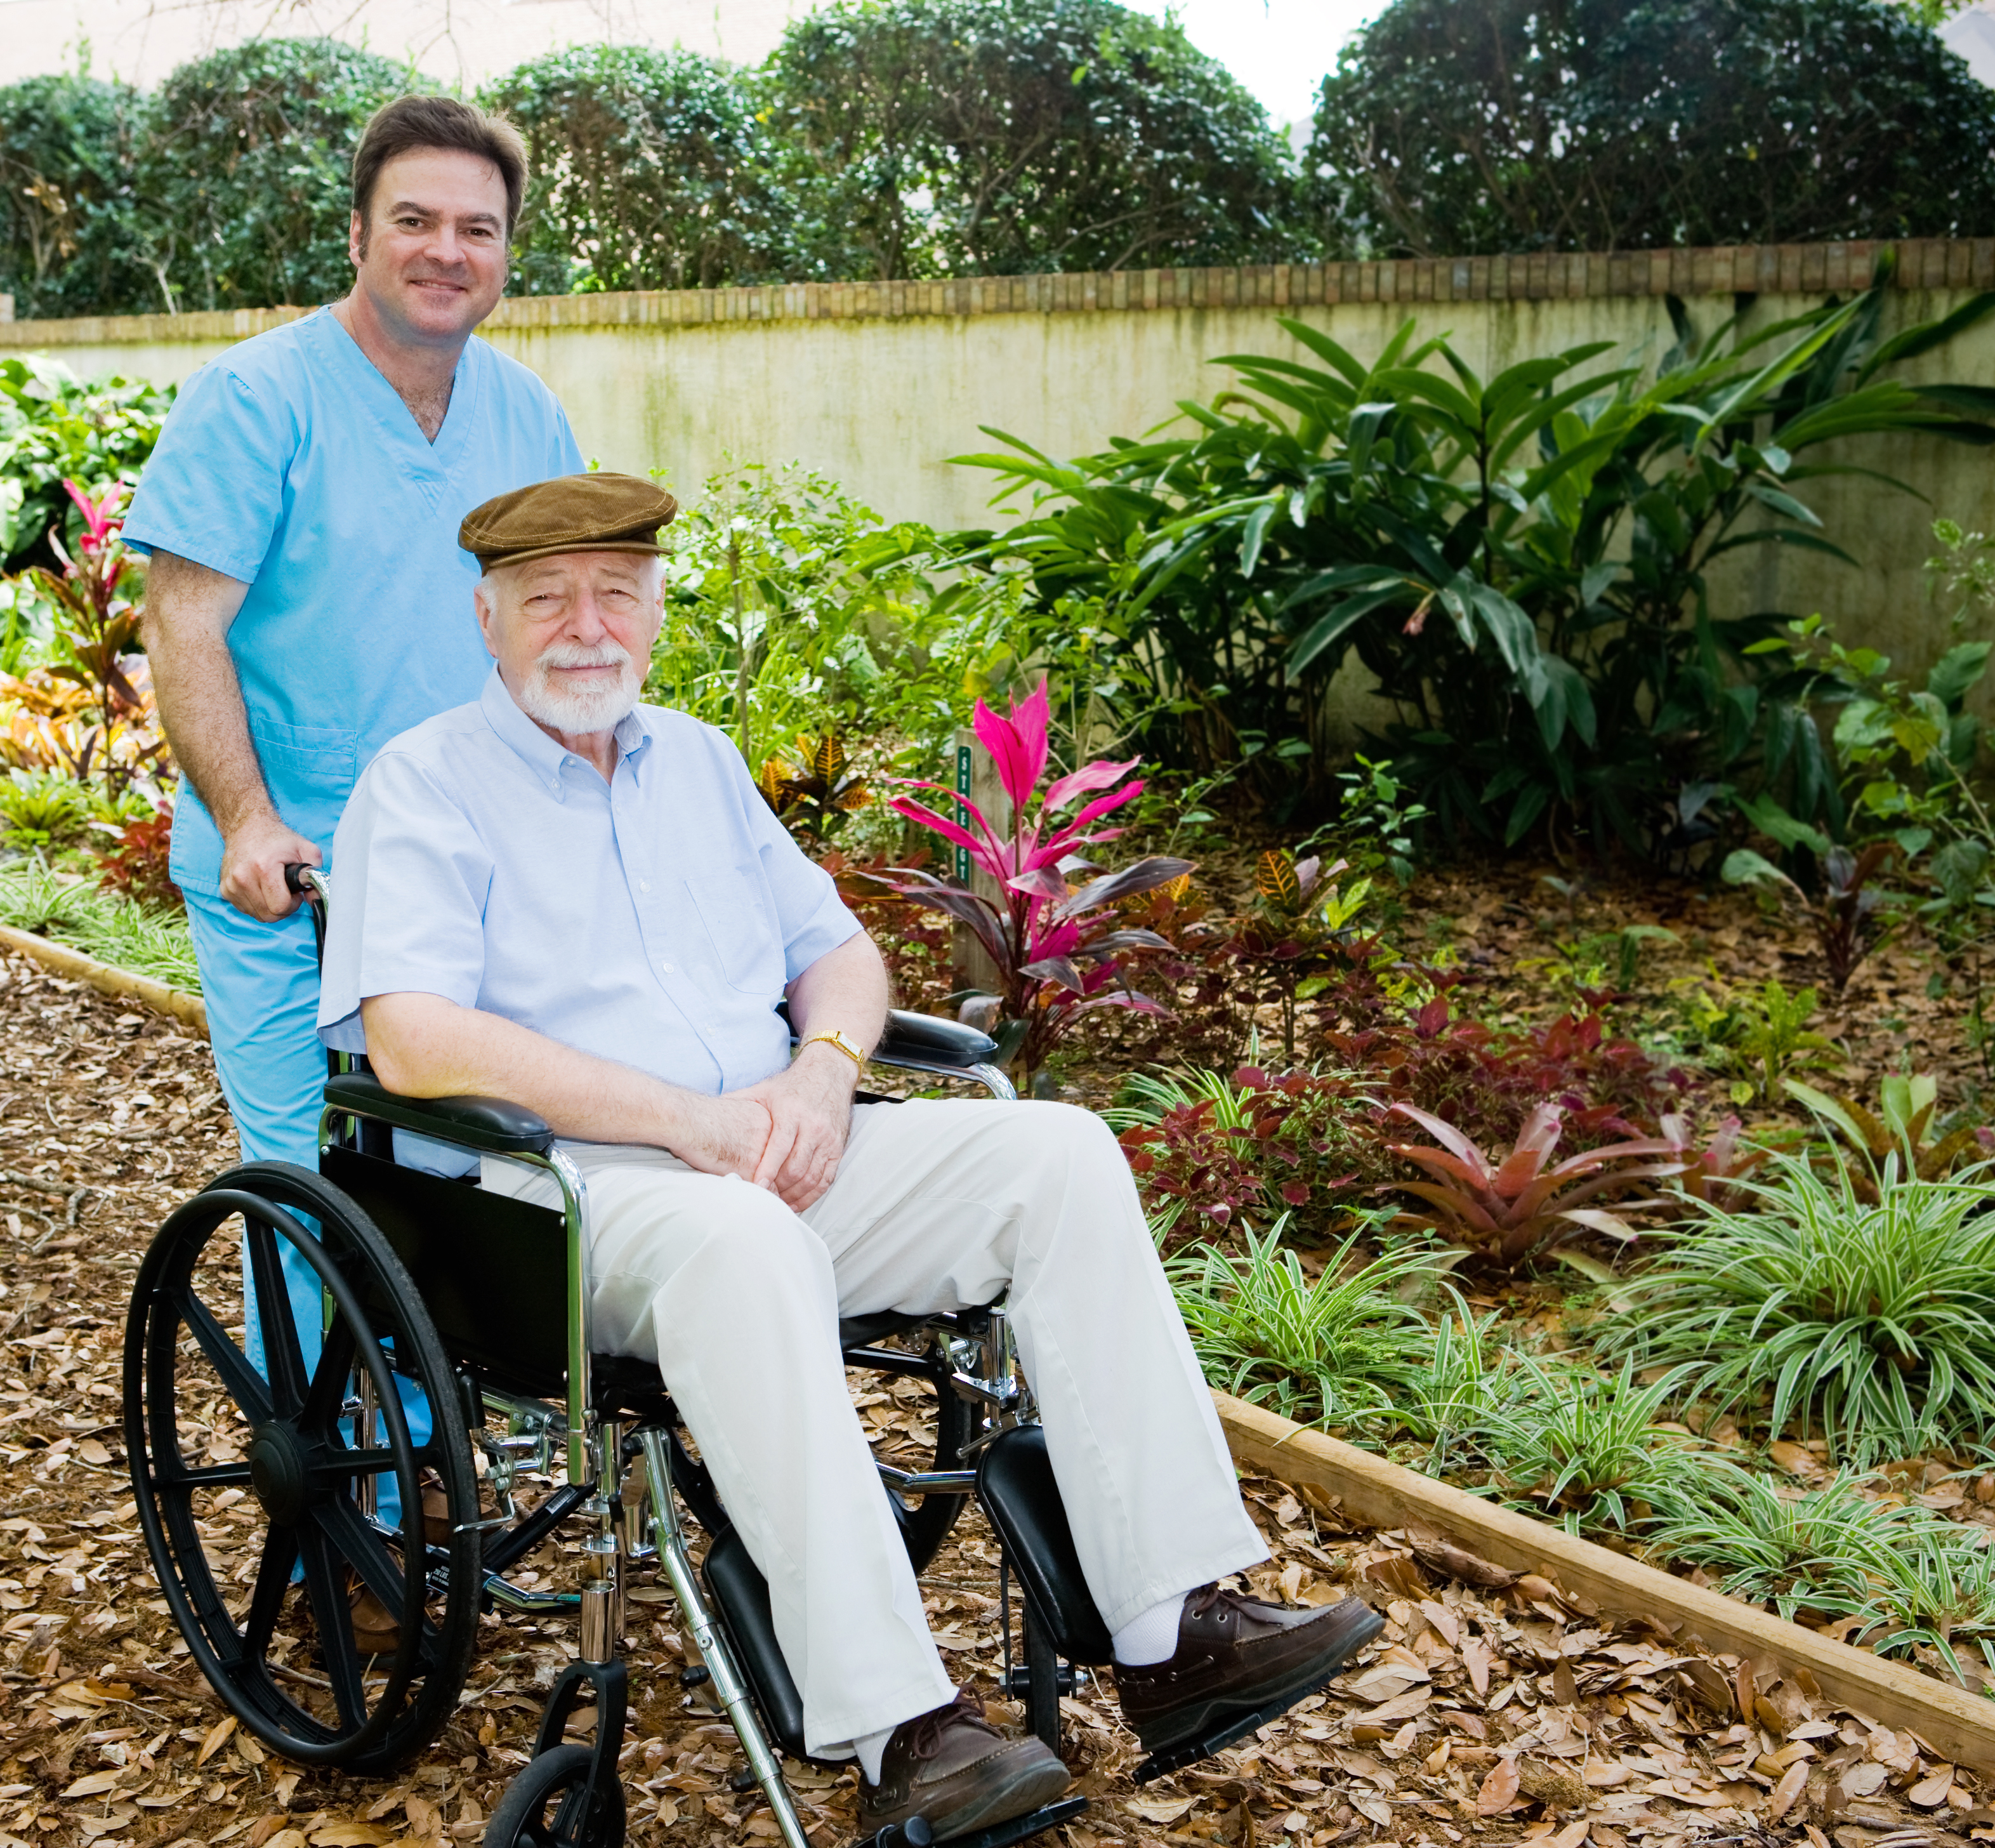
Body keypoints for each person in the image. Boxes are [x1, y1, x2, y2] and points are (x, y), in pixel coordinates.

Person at [315, 472, 1383, 1841]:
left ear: (651, 611)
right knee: (747, 1240)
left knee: (1054, 1154)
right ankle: (902, 1735)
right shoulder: (422, 784)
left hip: (771, 1152)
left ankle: (1175, 1626)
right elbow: (409, 1037)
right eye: (546, 596)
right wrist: (685, 1121)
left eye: (616, 592)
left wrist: (823, 1073)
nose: (585, 625)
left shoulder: (694, 760)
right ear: (487, 618)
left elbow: (839, 955)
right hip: (568, 1206)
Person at [126, 93, 583, 1168]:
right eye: (414, 220)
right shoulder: (253, 399)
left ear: (507, 253)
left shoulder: (532, 417)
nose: (446, 252)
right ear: (358, 236)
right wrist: (246, 821)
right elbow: (181, 624)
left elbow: (562, 635)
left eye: (478, 230)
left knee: (466, 1176)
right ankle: (302, 1349)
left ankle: (410, 1349)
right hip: (295, 877)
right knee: (313, 1182)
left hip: (474, 871)